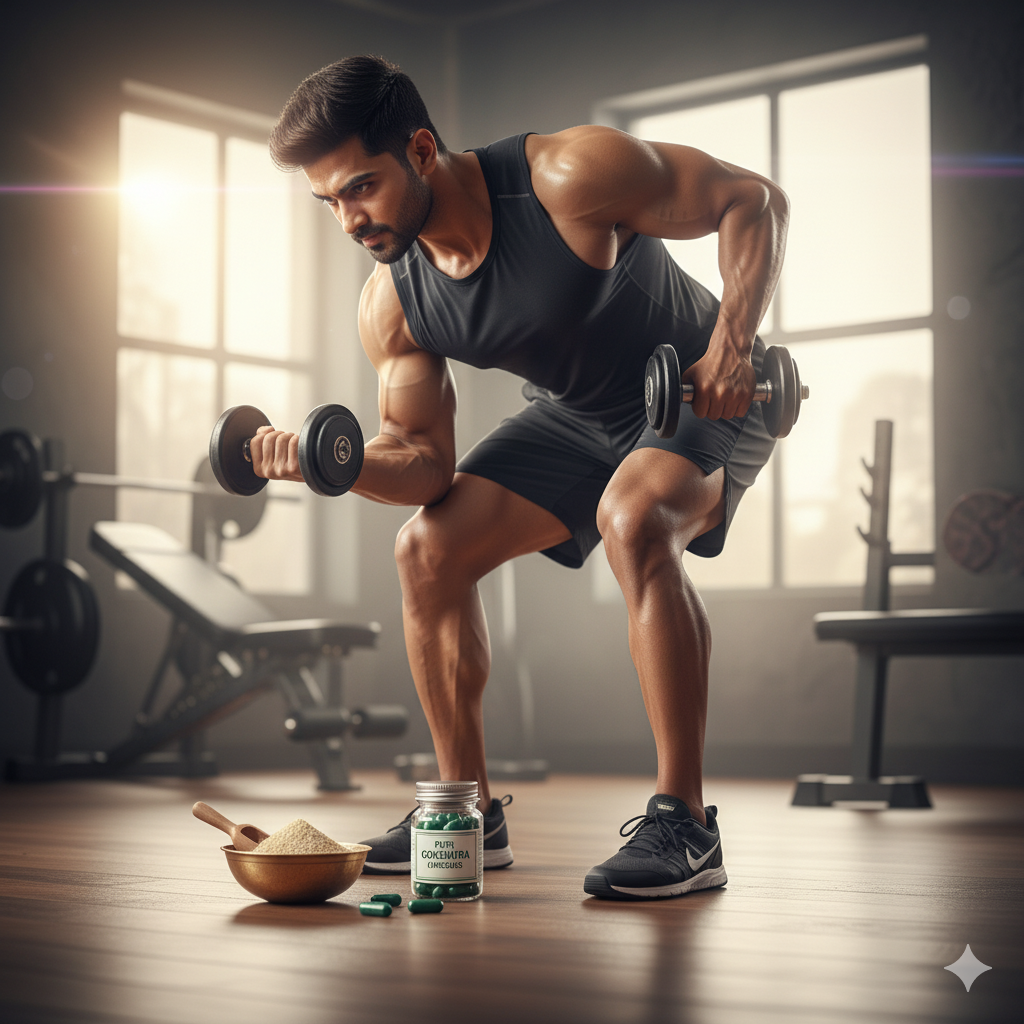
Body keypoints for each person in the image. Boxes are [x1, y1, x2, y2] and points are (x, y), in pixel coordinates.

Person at [255, 55, 787, 900]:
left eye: (360, 187)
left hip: (696, 391)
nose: (349, 220)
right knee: (427, 547)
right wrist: (334, 461)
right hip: (578, 416)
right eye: (330, 203)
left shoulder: (568, 178)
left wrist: (732, 343)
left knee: (634, 518)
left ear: (421, 149)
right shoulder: (394, 302)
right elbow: (424, 464)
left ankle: (685, 822)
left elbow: (749, 199)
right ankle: (464, 811)